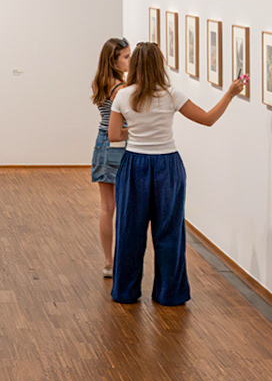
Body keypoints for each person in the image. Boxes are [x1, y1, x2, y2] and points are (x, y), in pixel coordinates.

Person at [107, 42, 245, 306]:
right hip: (167, 167)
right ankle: (170, 294)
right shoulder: (171, 94)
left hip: (134, 165)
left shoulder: (123, 96)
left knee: (129, 230)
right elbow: (207, 119)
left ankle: (125, 292)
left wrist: (135, 131)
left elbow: (113, 136)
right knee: (169, 232)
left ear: (134, 65)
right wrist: (230, 93)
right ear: (159, 65)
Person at [90, 38, 130, 277]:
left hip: (101, 144)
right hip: (119, 144)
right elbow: (125, 124)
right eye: (125, 56)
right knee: (123, 206)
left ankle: (108, 262)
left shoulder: (99, 82)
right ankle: (122, 259)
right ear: (113, 60)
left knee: (107, 207)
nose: (129, 61)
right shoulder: (121, 90)